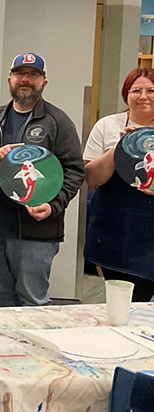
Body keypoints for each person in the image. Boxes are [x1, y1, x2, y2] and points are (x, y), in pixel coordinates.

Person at [0, 52, 85, 307]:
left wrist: (53, 205)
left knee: (32, 301)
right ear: (10, 79)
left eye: (34, 75)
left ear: (44, 82)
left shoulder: (57, 121)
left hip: (36, 231)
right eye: (20, 73)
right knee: (2, 298)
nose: (26, 79)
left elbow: (75, 170)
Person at [83, 66, 154, 301]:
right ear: (126, 95)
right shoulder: (107, 126)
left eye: (151, 91)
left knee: (142, 302)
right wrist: (118, 150)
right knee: (121, 299)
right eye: (136, 90)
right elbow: (91, 179)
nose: (143, 96)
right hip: (115, 229)